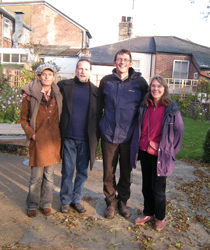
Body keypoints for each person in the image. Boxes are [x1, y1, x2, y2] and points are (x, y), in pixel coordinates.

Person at [130, 75, 184, 231]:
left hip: (162, 155)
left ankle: (160, 217)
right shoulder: (145, 105)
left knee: (158, 189)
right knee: (146, 186)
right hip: (145, 152)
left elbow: (179, 131)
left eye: (159, 86)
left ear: (164, 89)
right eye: (153, 86)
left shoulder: (171, 107)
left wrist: (169, 151)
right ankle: (148, 213)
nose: (156, 89)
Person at [99, 49, 148, 219]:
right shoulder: (106, 82)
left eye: (125, 59)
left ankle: (122, 202)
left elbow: (151, 103)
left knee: (126, 173)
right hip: (109, 136)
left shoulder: (140, 84)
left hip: (129, 137)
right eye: (119, 59)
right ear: (114, 62)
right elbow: (98, 105)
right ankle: (111, 203)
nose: (122, 62)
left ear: (131, 63)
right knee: (108, 172)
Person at [57, 59, 101, 214]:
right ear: (76, 70)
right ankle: (65, 200)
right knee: (68, 171)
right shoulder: (64, 86)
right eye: (80, 69)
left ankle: (76, 200)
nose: (83, 71)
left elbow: (99, 116)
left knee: (82, 172)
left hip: (86, 140)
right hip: (68, 137)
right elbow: (45, 88)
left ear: (90, 72)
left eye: (86, 69)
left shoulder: (96, 92)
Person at [20, 63, 63, 218]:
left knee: (49, 176)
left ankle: (46, 203)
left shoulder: (58, 93)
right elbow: (23, 120)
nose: (46, 77)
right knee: (36, 177)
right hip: (37, 142)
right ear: (38, 76)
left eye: (50, 74)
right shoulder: (29, 95)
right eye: (43, 74)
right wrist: (32, 134)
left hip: (53, 142)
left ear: (53, 77)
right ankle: (32, 204)